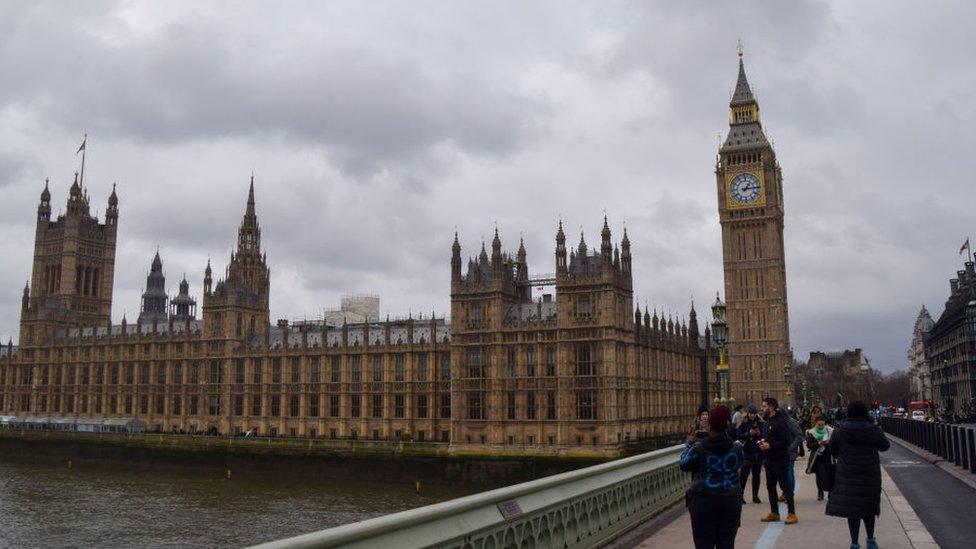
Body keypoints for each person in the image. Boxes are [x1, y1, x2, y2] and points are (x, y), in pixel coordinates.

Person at [826, 400, 890, 549]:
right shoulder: (872, 429)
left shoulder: (840, 430)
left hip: (848, 474)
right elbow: (885, 446)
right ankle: (870, 540)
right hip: (869, 474)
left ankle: (854, 542)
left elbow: (833, 450)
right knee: (869, 508)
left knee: (852, 510)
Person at [680, 405, 744, 549]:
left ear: (709, 425)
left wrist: (689, 442)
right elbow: (739, 465)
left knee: (704, 544)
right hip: (730, 500)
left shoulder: (699, 448)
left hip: (704, 500)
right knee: (727, 544)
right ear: (728, 424)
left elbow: (683, 464)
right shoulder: (738, 448)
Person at [758, 397, 797, 524]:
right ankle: (774, 512)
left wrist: (771, 445)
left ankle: (792, 513)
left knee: (785, 487)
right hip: (769, 459)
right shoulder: (767, 421)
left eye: (764, 406)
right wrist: (763, 443)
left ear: (772, 407)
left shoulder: (781, 421)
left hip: (780, 459)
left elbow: (786, 441)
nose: (762, 408)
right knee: (770, 487)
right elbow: (767, 438)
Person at [736, 404, 764, 504]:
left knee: (756, 476)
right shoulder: (743, 422)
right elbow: (738, 435)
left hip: (757, 452)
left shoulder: (761, 422)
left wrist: (759, 433)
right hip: (747, 453)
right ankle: (740, 496)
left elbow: (765, 435)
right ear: (748, 413)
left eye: (754, 413)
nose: (752, 415)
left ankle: (755, 496)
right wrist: (749, 434)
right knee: (744, 476)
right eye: (751, 413)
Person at [805, 417, 833, 500]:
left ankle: (830, 493)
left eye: (822, 425)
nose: (821, 426)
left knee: (829, 475)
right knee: (819, 475)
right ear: (816, 424)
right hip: (817, 457)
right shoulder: (811, 433)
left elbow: (835, 444)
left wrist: (829, 443)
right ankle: (820, 492)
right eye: (819, 425)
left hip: (828, 456)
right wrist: (819, 443)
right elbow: (809, 446)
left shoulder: (830, 431)